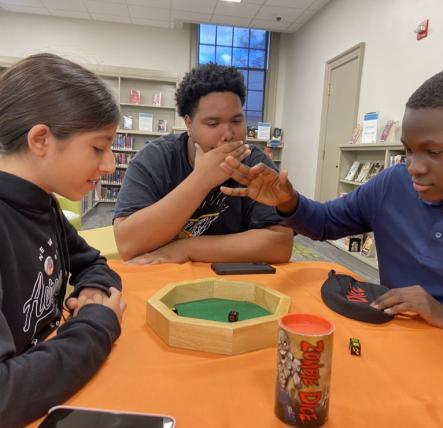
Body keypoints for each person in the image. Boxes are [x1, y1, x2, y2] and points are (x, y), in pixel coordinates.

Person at [220, 66, 443, 348]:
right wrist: (287, 200)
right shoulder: (393, 185)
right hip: (392, 343)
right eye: (408, 150)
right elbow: (325, 222)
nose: (414, 167)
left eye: (434, 153)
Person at [0, 53, 127, 427]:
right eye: (98, 148)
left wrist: (92, 291)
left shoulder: (44, 203)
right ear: (41, 139)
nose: (110, 166)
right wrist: (97, 323)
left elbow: (93, 262)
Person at [113, 63, 293, 264]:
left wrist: (187, 248)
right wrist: (201, 180)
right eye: (213, 124)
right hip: (162, 281)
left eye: (236, 121)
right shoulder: (154, 159)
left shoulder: (254, 162)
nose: (228, 135)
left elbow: (280, 244)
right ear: (189, 124)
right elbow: (128, 245)